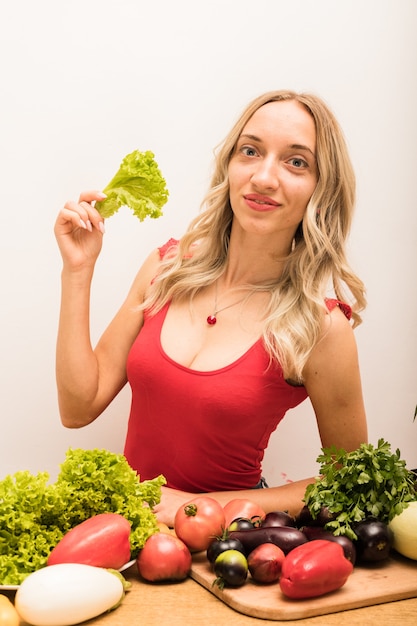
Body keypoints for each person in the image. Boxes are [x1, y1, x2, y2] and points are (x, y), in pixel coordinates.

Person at [54, 89, 368, 527]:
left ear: (322, 187)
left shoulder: (322, 326)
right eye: (250, 151)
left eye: (296, 161)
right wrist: (77, 270)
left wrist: (204, 506)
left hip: (230, 547)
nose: (263, 176)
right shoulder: (167, 267)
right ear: (230, 165)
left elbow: (352, 482)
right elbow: (78, 407)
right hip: (128, 531)